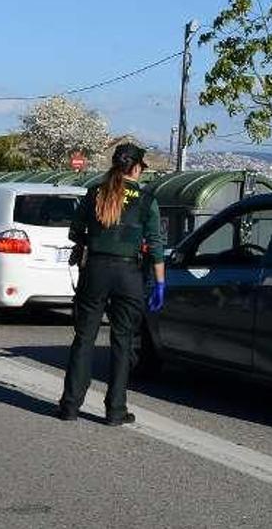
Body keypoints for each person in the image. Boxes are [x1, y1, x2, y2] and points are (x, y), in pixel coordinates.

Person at [58, 143, 165, 426]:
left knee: (84, 339)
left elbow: (74, 231)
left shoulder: (95, 192)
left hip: (95, 271)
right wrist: (160, 283)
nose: (141, 172)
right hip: (129, 275)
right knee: (123, 341)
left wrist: (89, 241)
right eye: (141, 167)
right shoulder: (146, 199)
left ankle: (70, 406)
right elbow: (156, 246)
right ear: (134, 167)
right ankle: (115, 410)